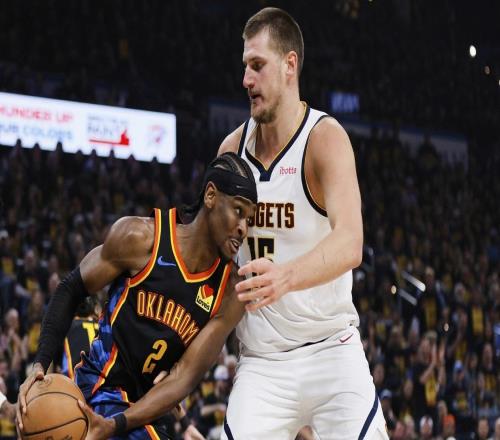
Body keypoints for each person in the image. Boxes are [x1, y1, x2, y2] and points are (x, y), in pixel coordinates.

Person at [217, 7, 388, 439]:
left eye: (258, 65)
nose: (246, 79)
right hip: (262, 361)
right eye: (245, 66)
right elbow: (210, 258)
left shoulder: (324, 139)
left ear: (289, 64)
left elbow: (350, 242)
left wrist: (285, 277)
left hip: (332, 348)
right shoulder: (231, 151)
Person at [17, 152, 257, 439]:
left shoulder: (230, 291)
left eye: (250, 219)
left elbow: (183, 378)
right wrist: (39, 366)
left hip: (146, 410)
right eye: (238, 211)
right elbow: (70, 288)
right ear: (210, 196)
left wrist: (118, 424)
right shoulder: (141, 238)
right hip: (100, 388)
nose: (243, 227)